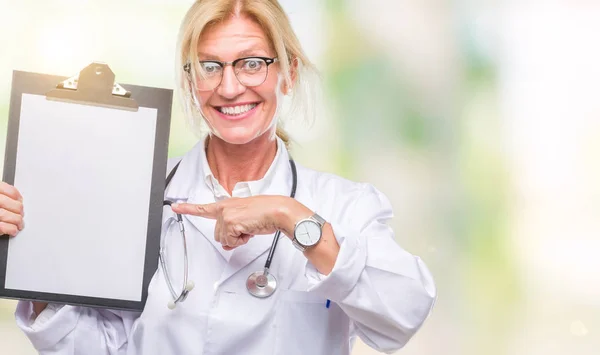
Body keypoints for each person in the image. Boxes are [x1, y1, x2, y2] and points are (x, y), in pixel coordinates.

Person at [1, 1, 436, 354]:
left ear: (288, 73)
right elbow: (98, 348)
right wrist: (36, 254)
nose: (229, 88)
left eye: (251, 64)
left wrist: (289, 216)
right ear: (191, 82)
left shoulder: (345, 205)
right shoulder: (136, 190)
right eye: (210, 66)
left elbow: (403, 315)